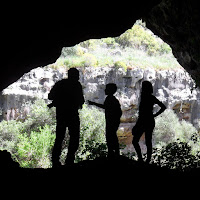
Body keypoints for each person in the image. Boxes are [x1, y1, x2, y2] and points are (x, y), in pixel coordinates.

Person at [48, 68, 84, 167]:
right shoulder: (77, 85)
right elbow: (81, 101)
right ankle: (69, 160)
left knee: (59, 138)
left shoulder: (60, 84)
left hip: (61, 115)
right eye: (77, 75)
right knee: (74, 138)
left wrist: (59, 100)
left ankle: (55, 161)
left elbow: (50, 96)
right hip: (72, 115)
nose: (78, 77)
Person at [132, 81, 166, 163]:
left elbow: (142, 113)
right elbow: (163, 107)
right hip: (150, 121)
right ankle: (148, 160)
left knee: (135, 141)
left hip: (143, 121)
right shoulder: (151, 97)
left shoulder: (143, 97)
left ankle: (141, 159)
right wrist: (154, 115)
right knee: (148, 141)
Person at [88, 83, 122, 158]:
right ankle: (115, 153)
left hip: (111, 122)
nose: (105, 90)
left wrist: (93, 103)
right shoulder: (113, 99)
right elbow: (118, 112)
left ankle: (112, 153)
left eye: (106, 88)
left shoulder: (109, 99)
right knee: (112, 136)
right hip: (113, 122)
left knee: (110, 137)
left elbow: (105, 107)